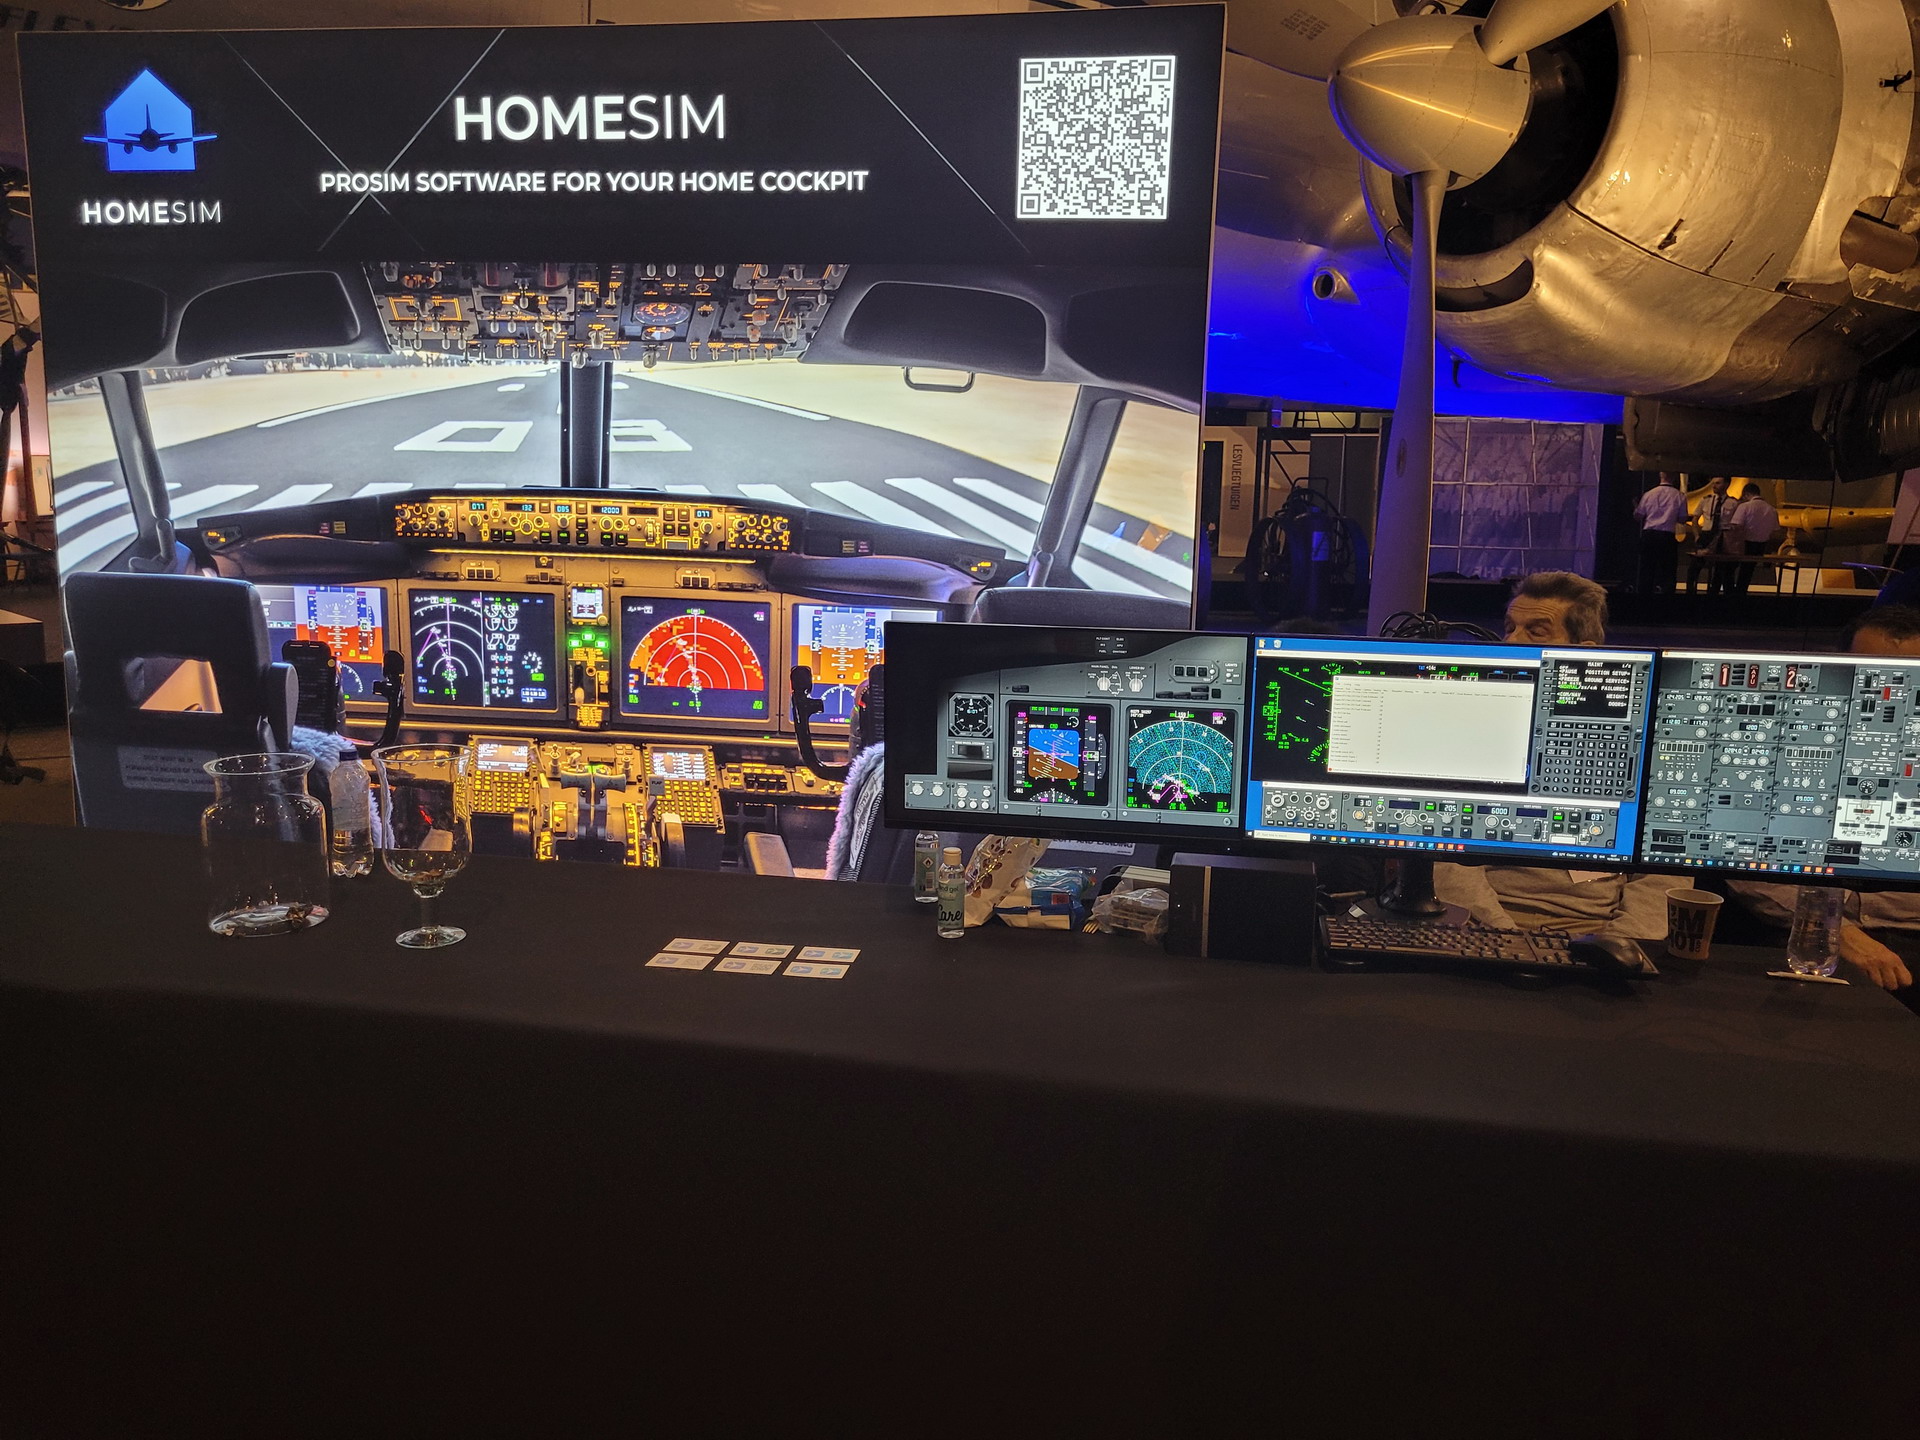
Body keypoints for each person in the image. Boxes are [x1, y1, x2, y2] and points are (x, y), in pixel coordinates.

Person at [1432, 572, 1672, 939]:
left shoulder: (1641, 742)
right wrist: (1508, 941)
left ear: (1585, 652)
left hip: (1600, 932)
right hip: (1485, 926)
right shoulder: (1469, 730)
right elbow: (1446, 858)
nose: (1512, 641)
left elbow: (1663, 871)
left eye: (1536, 632)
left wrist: (1619, 944)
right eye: (1509, 627)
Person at [1728, 605, 1920, 1004]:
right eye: (1873, 673)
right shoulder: (1787, 741)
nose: (1891, 690)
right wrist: (1834, 929)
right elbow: (1736, 854)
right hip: (1808, 930)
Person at [1631, 472, 1686, 593]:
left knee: (1647, 570)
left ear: (1661, 476)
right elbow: (1682, 519)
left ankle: (1644, 597)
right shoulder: (1679, 496)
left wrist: (1635, 506)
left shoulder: (1649, 494)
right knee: (1668, 571)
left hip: (1649, 535)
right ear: (1674, 477)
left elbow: (1638, 516)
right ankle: (1666, 598)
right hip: (1667, 536)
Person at [1683, 476, 1737, 594]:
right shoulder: (1706, 500)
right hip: (1706, 535)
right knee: (1694, 567)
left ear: (1727, 484)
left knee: (1721, 568)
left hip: (1723, 536)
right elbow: (1695, 519)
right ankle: (1690, 591)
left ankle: (1714, 593)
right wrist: (1697, 535)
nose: (1714, 486)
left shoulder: (1733, 503)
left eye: (1718, 483)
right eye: (1713, 483)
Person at [1727, 481, 1778, 594]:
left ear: (1747, 494)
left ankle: (1731, 593)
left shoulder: (1745, 507)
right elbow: (1774, 530)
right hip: (1762, 545)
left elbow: (1736, 526)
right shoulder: (1772, 509)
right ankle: (1741, 592)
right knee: (1748, 571)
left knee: (1729, 569)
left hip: (1744, 543)